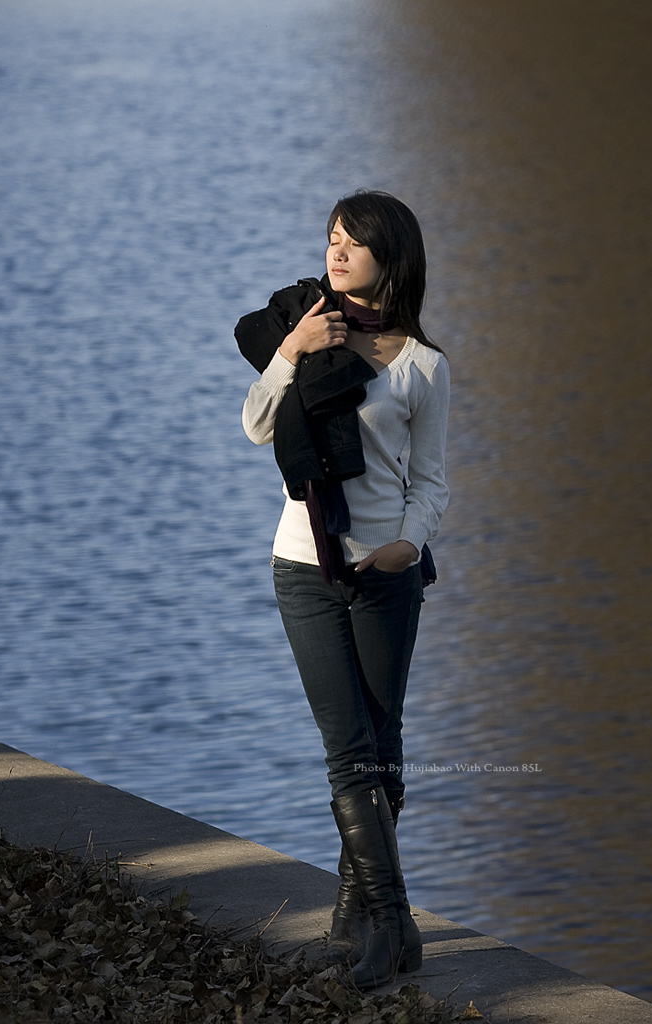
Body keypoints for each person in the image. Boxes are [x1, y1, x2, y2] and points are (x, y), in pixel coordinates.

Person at [236, 190, 450, 989]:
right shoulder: (311, 338)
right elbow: (257, 425)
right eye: (331, 238)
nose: (335, 252)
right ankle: (392, 930)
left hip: (386, 575)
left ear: (388, 257)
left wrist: (406, 544)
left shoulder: (424, 366)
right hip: (302, 567)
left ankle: (350, 917)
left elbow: (430, 483)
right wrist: (290, 349)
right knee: (349, 752)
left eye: (352, 242)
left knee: (381, 749)